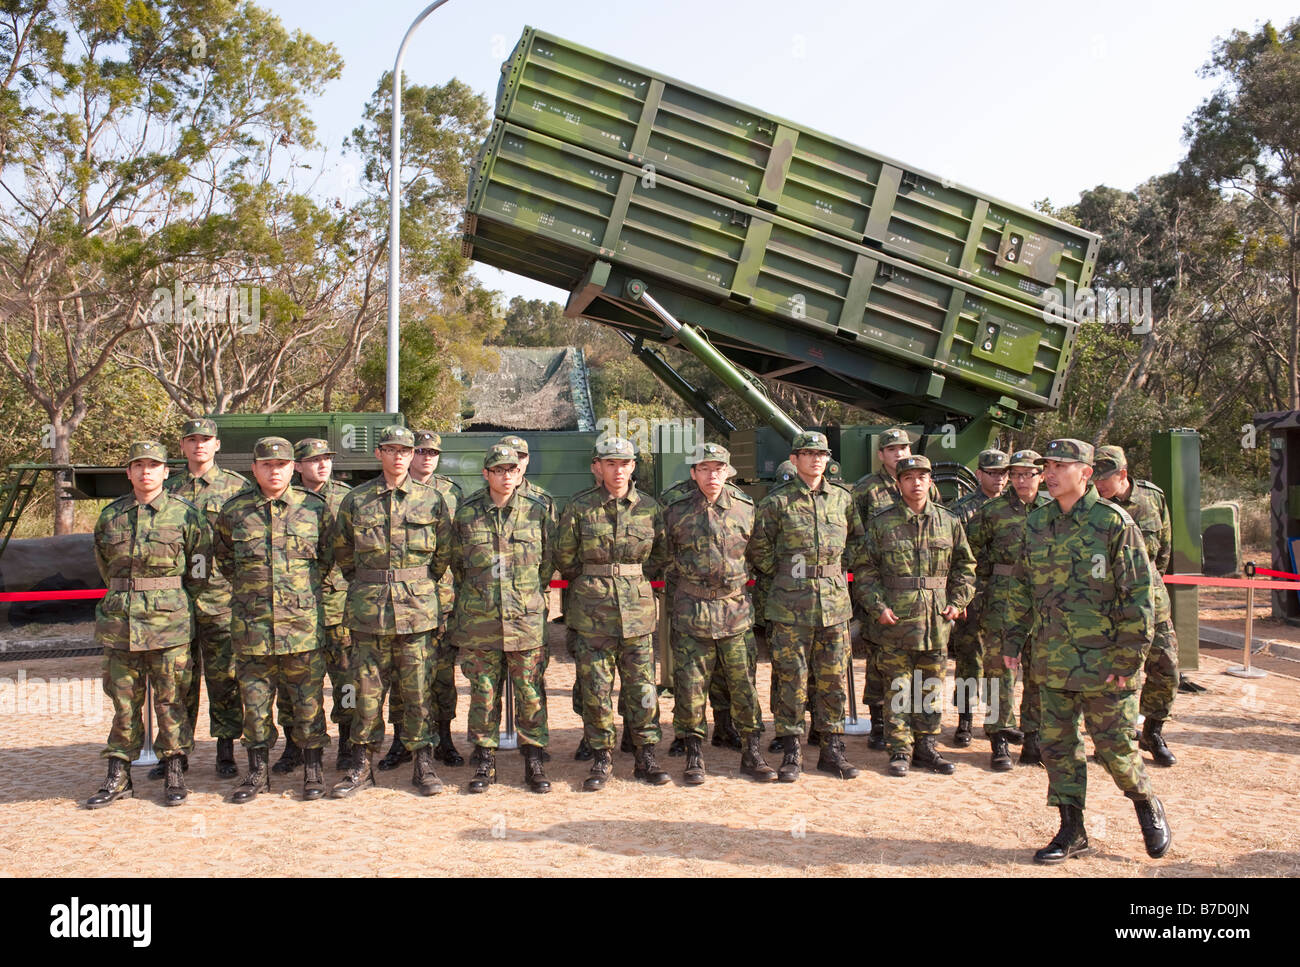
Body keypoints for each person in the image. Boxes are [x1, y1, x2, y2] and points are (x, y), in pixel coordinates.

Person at [1008, 438, 1171, 863]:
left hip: (1104, 661)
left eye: (1062, 465)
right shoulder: (1038, 522)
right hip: (1052, 658)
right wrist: (1011, 640)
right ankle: (1071, 830)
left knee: (1115, 746)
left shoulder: (1114, 523)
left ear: (1085, 472)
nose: (1051, 473)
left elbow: (1140, 597)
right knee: (1058, 747)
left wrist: (1128, 658)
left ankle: (1145, 803)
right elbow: (1022, 587)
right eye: (1048, 465)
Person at [330, 425, 454, 798]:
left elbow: (442, 556)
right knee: (366, 694)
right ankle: (361, 765)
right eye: (391, 449)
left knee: (418, 691)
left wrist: (412, 582)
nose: (399, 456)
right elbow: (343, 555)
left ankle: (423, 763)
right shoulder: (355, 501)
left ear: (413, 454)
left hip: (416, 610)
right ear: (379, 453)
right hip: (369, 613)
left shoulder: (432, 501)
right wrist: (374, 582)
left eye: (405, 450)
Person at [86, 441, 206, 808]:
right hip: (121, 624)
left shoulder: (186, 515)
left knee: (172, 701)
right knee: (123, 702)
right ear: (128, 472)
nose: (145, 472)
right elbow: (106, 567)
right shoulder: (111, 516)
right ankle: (118, 774)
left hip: (169, 624)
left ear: (167, 471)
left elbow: (199, 570)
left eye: (153, 465)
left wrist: (166, 599)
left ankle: (174, 769)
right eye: (138, 465)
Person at [214, 437, 333, 803]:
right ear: (254, 468)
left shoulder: (315, 509)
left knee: (308, 703)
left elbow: (327, 559)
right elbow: (225, 560)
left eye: (281, 464)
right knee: (256, 703)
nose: (274, 470)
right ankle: (256, 772)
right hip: (253, 629)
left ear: (292, 468)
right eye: (267, 464)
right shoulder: (234, 512)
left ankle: (312, 769)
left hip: (302, 629)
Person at [553, 436, 669, 791]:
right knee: (595, 689)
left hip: (636, 612)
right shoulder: (579, 507)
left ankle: (645, 753)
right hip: (592, 614)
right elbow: (566, 559)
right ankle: (601, 756)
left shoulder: (650, 508)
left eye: (625, 463)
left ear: (633, 467)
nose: (618, 470)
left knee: (642, 687)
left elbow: (660, 556)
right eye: (610, 463)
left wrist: (631, 579)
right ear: (597, 467)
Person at [750, 431, 861, 782]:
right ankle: (792, 750)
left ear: (828, 459)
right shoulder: (776, 502)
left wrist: (833, 573)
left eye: (821, 454)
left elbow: (858, 543)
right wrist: (789, 575)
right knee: (790, 679)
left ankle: (831, 750)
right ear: (795, 459)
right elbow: (759, 550)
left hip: (834, 605)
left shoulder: (842, 500)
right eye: (808, 453)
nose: (816, 459)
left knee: (832, 680)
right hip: (789, 607)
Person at [854, 455, 975, 777]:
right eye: (909, 477)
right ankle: (899, 751)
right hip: (895, 622)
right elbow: (864, 571)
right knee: (898, 689)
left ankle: (927, 747)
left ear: (931, 481)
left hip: (936, 622)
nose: (916, 482)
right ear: (899, 484)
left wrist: (958, 601)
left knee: (931, 687)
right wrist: (878, 607)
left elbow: (966, 567)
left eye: (923, 476)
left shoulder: (949, 522)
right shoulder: (881, 523)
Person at [662, 443, 776, 784]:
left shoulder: (744, 508)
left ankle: (751, 751)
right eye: (705, 469)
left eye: (718, 469)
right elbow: (662, 556)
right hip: (691, 613)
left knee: (743, 685)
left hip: (735, 613)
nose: (712, 475)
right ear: (694, 473)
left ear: (728, 472)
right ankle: (694, 753)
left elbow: (759, 553)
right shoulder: (675, 509)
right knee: (690, 687)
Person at [450, 444, 555, 793]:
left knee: (530, 692)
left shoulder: (538, 511)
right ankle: (484, 759)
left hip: (524, 620)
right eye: (498, 470)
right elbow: (456, 565)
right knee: (483, 692)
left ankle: (534, 759)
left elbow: (549, 563)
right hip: (480, 622)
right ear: (486, 474)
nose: (506, 476)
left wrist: (526, 597)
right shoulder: (467, 514)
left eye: (512, 469)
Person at [163, 417, 248, 778]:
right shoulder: (167, 488)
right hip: (175, 600)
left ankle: (225, 750)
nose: (199, 445)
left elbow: (244, 543)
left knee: (224, 678)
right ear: (182, 447)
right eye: (192, 440)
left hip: (219, 598)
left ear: (217, 445)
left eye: (206, 440)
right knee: (177, 681)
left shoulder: (237, 487)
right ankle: (175, 754)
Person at [376, 430, 465, 770]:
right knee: (402, 677)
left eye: (433, 452)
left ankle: (444, 737)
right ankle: (400, 741)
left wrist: (432, 584)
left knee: (442, 675)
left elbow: (451, 550)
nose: (427, 457)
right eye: (422, 451)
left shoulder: (450, 493)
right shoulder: (385, 491)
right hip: (394, 603)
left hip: (438, 600)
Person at [851, 427, 941, 752]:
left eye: (903, 448)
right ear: (881, 455)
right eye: (892, 449)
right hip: (880, 588)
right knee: (879, 659)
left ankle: (918, 731)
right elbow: (856, 537)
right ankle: (879, 722)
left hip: (918, 594)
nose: (899, 453)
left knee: (919, 665)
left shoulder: (926, 485)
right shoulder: (865, 489)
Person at [1093, 445, 1179, 767]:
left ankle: (1153, 732)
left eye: (1105, 478)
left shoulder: (1152, 499)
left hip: (1153, 604)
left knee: (1166, 669)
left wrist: (1150, 587)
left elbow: (1164, 552)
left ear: (1123, 475)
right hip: (1113, 606)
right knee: (1115, 676)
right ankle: (1114, 739)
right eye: (1095, 477)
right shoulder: (1094, 508)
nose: (1099, 484)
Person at [967, 449, 1050, 771]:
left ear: (1040, 476)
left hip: (1045, 603)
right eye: (1015, 474)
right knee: (998, 673)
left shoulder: (1054, 511)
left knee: (1039, 673)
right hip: (1003, 602)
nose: (1021, 480)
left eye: (1028, 474)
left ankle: (1033, 740)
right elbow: (972, 554)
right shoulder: (993, 511)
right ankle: (999, 738)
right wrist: (984, 593)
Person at [290, 438, 355, 770]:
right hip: (294, 610)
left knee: (345, 681)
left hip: (338, 607)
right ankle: (294, 746)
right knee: (296, 685)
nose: (322, 464)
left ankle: (346, 743)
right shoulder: (287, 500)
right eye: (313, 460)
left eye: (326, 458)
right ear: (298, 466)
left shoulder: (346, 498)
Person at [947, 449, 1008, 746]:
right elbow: (955, 558)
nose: (998, 478)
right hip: (974, 594)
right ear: (980, 474)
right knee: (969, 658)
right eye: (992, 473)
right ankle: (965, 720)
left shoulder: (1018, 508)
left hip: (1007, 597)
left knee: (998, 661)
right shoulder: (962, 510)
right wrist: (960, 599)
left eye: (1003, 473)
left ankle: (995, 722)